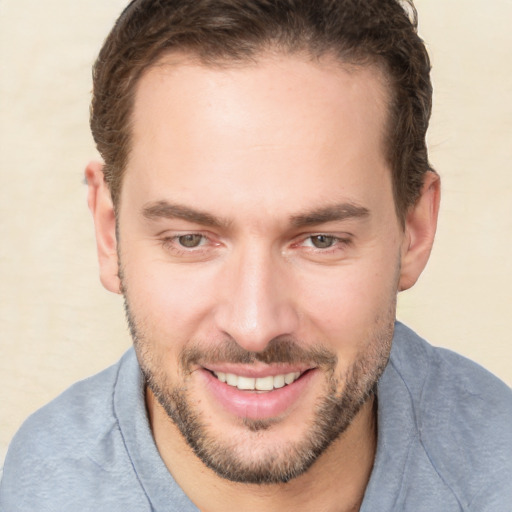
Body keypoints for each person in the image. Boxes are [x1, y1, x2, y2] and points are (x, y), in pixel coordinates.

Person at [1, 0, 511, 510]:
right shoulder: (34, 489)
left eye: (320, 240)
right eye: (191, 239)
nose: (254, 327)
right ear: (109, 231)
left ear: (414, 231)